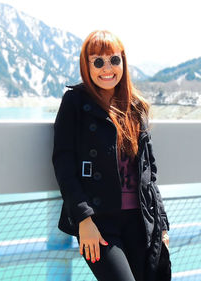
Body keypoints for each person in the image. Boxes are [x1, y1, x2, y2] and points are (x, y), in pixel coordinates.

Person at [52, 30, 171, 281]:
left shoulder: (135, 106)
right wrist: (84, 220)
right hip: (99, 221)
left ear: (123, 62)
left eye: (114, 60)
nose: (107, 68)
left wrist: (162, 225)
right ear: (87, 65)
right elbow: (63, 163)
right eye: (98, 61)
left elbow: (149, 173)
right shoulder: (75, 102)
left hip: (141, 220)